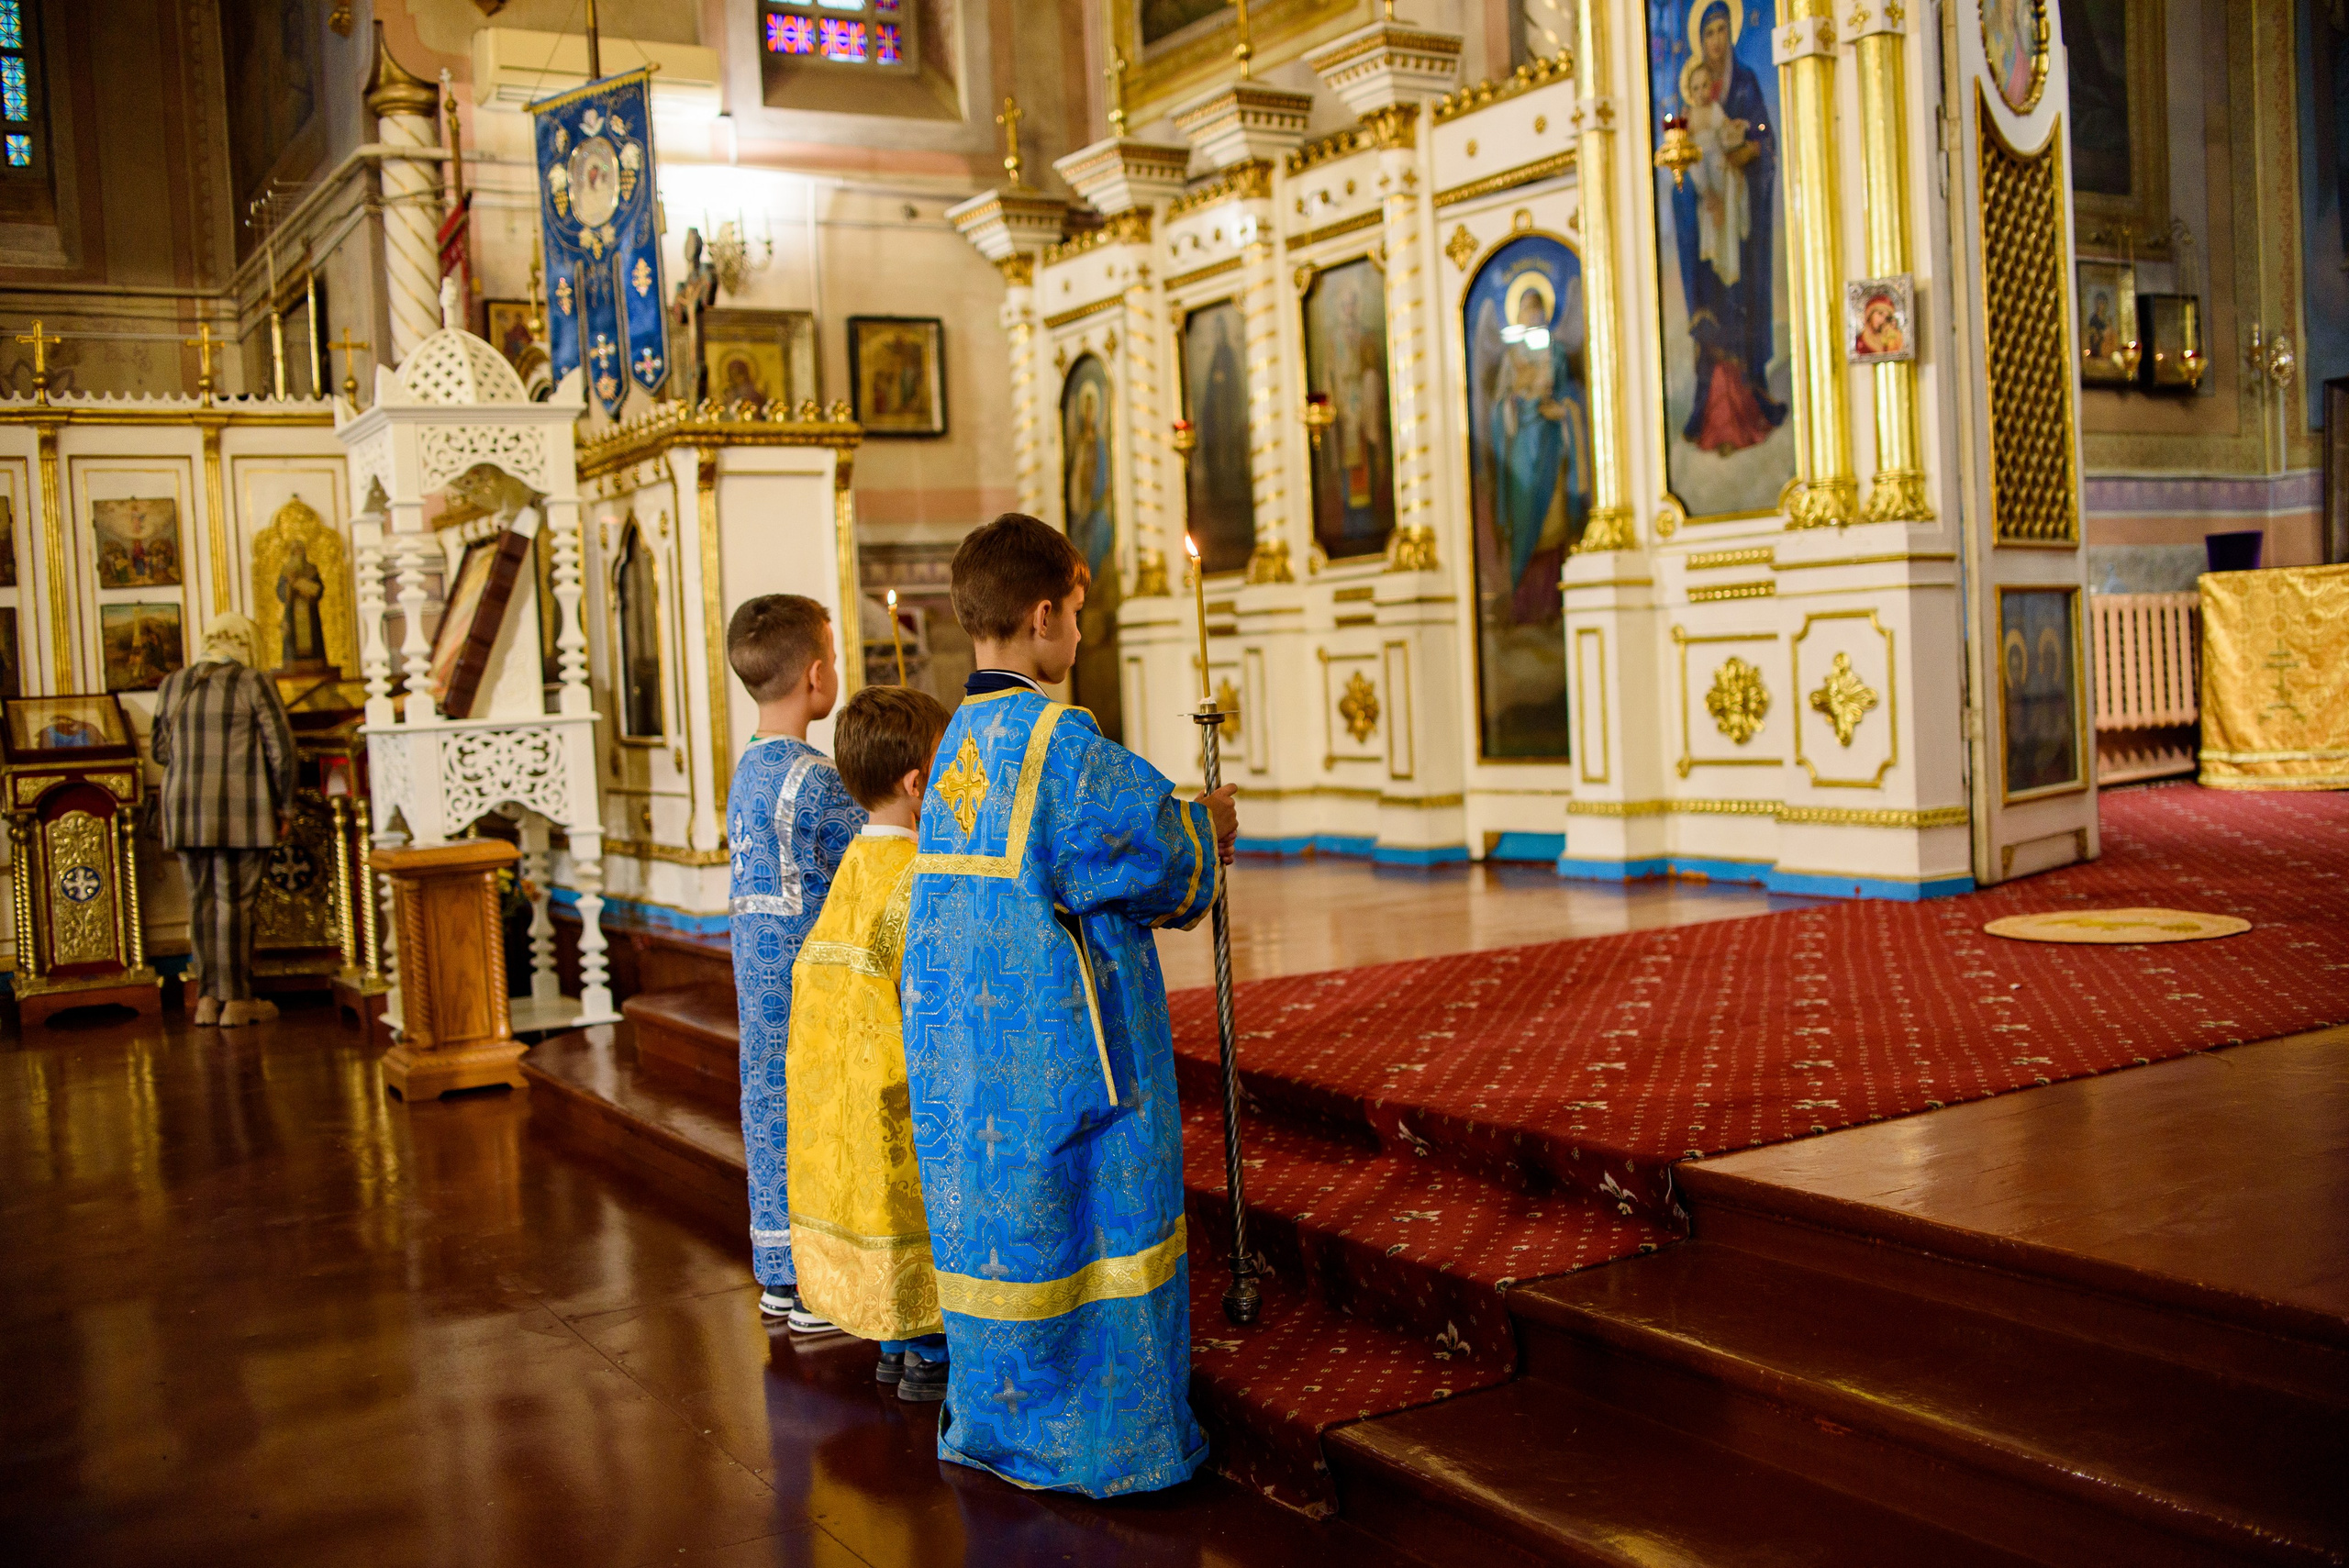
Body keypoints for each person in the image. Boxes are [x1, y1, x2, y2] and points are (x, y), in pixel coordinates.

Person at [901, 513, 1238, 1497]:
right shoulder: (1058, 742)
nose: (1081, 634)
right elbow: (1155, 851)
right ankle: (1109, 1441)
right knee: (1095, 1219)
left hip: (971, 1052)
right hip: (1070, 1047)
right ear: (1044, 615)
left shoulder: (956, 741)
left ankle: (999, 1425)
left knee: (1009, 1228)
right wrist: (1206, 825)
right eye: (1079, 614)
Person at [785, 684, 954, 1400]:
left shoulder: (854, 866)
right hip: (902, 1091)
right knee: (918, 1203)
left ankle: (894, 1344)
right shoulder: (921, 878)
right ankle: (930, 1347)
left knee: (881, 1204)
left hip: (848, 1091)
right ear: (919, 784)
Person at [725, 594, 866, 1334]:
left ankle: (780, 1276)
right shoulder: (816, 777)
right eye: (833, 658)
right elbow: (871, 854)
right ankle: (817, 1287)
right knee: (817, 1114)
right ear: (816, 675)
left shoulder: (749, 765)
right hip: (811, 984)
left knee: (770, 1107)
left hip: (757, 983)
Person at [150, 613, 297, 1029]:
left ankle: (207, 999)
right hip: (239, 811)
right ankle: (237, 1000)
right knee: (234, 903)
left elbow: (160, 751)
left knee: (200, 903)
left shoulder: (172, 683)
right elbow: (282, 751)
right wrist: (286, 806)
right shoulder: (253, 682)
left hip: (183, 810)